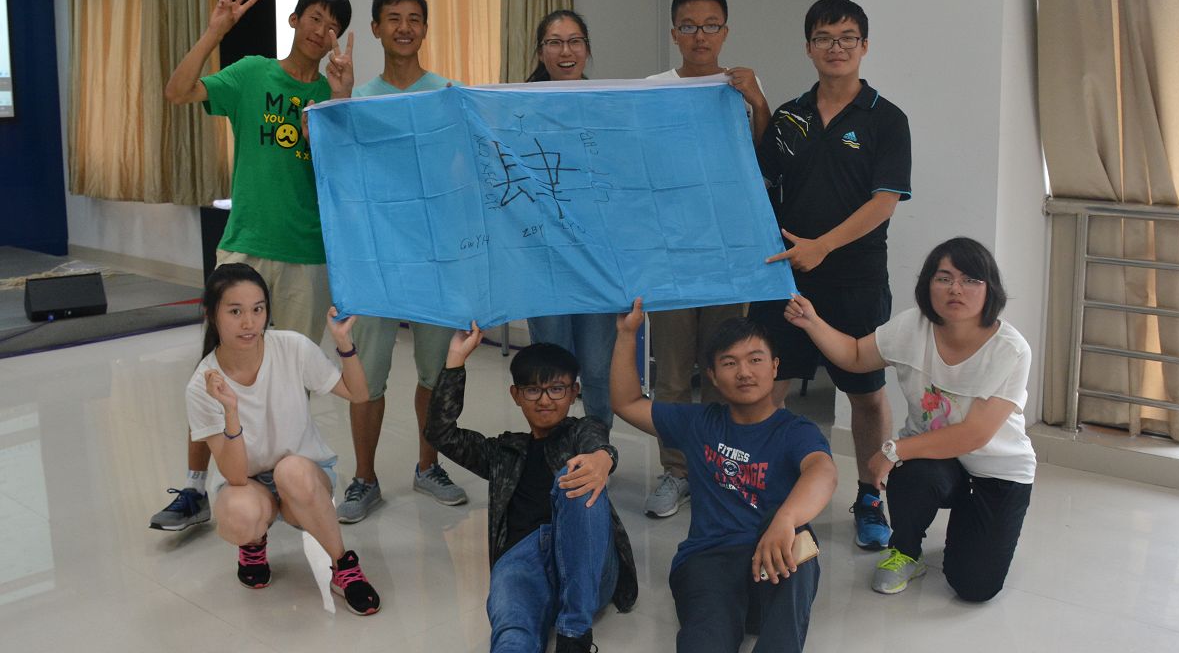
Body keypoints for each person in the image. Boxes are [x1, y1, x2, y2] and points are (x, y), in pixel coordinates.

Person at [150, 0, 354, 532]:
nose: (321, 31)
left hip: (308, 252)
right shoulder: (252, 74)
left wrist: (342, 98)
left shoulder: (334, 94)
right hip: (246, 245)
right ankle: (195, 488)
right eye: (314, 18)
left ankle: (282, 480)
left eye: (332, 26)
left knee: (290, 374)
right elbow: (177, 91)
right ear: (294, 19)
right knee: (215, 370)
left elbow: (344, 176)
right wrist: (215, 30)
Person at [783, 237, 1035, 601]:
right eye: (944, 278)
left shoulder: (1010, 349)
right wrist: (812, 322)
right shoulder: (912, 327)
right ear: (927, 285)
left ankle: (974, 520)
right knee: (911, 473)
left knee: (974, 587)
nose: (956, 289)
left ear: (990, 288)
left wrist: (893, 449)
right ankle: (905, 550)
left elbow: (975, 434)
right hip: (937, 463)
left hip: (997, 471)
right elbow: (856, 356)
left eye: (970, 280)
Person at [750, 0, 911, 551]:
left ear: (863, 46)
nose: (835, 47)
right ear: (808, 47)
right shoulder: (789, 117)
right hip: (784, 278)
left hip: (855, 280)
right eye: (824, 37)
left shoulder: (886, 119)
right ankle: (771, 496)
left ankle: (870, 495)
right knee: (769, 387)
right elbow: (758, 182)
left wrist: (822, 247)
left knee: (866, 394)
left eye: (846, 38)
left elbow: (884, 202)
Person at [611, 301, 836, 652]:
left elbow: (823, 471)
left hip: (772, 563)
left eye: (755, 359)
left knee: (799, 538)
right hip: (708, 562)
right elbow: (626, 403)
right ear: (713, 376)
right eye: (730, 363)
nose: (744, 372)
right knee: (705, 640)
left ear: (774, 366)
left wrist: (786, 518)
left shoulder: (795, 431)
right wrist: (627, 334)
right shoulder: (699, 422)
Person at [336, 0, 468, 523]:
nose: (405, 27)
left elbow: (467, 171)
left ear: (425, 28)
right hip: (374, 256)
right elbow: (336, 163)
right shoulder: (358, 98)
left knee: (435, 372)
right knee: (367, 375)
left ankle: (427, 467)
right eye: (393, 18)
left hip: (434, 257)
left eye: (414, 18)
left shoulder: (449, 95)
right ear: (375, 28)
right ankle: (364, 479)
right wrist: (339, 100)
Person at [425, 327, 637, 652]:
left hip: (585, 560)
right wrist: (456, 359)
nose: (545, 400)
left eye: (557, 389)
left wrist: (603, 457)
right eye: (533, 390)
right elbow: (440, 433)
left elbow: (597, 443)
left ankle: (574, 636)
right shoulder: (502, 452)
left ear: (574, 392)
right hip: (522, 562)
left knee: (576, 475)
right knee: (512, 636)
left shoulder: (582, 430)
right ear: (516, 395)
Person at [642, 0, 771, 518]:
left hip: (728, 254)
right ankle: (676, 470)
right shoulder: (652, 89)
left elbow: (762, 158)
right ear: (674, 33)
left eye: (711, 26)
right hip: (671, 253)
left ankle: (720, 468)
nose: (701, 36)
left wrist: (757, 101)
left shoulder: (742, 86)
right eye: (690, 27)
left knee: (725, 365)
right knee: (672, 373)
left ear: (726, 31)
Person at [185, 263, 380, 615]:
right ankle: (254, 541)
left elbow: (359, 394)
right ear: (212, 315)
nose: (249, 322)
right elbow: (235, 475)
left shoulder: (292, 347)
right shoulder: (202, 384)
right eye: (235, 312)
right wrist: (231, 410)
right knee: (239, 514)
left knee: (291, 471)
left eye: (258, 309)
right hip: (247, 482)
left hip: (302, 476)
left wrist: (344, 343)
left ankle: (342, 565)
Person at [522, 9, 618, 428]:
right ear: (541, 51)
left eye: (575, 41)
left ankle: (598, 446)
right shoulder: (515, 107)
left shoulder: (605, 105)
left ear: (587, 49)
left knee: (597, 369)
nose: (566, 51)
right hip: (544, 260)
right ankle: (552, 448)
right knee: (551, 369)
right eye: (555, 42)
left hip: (597, 260)